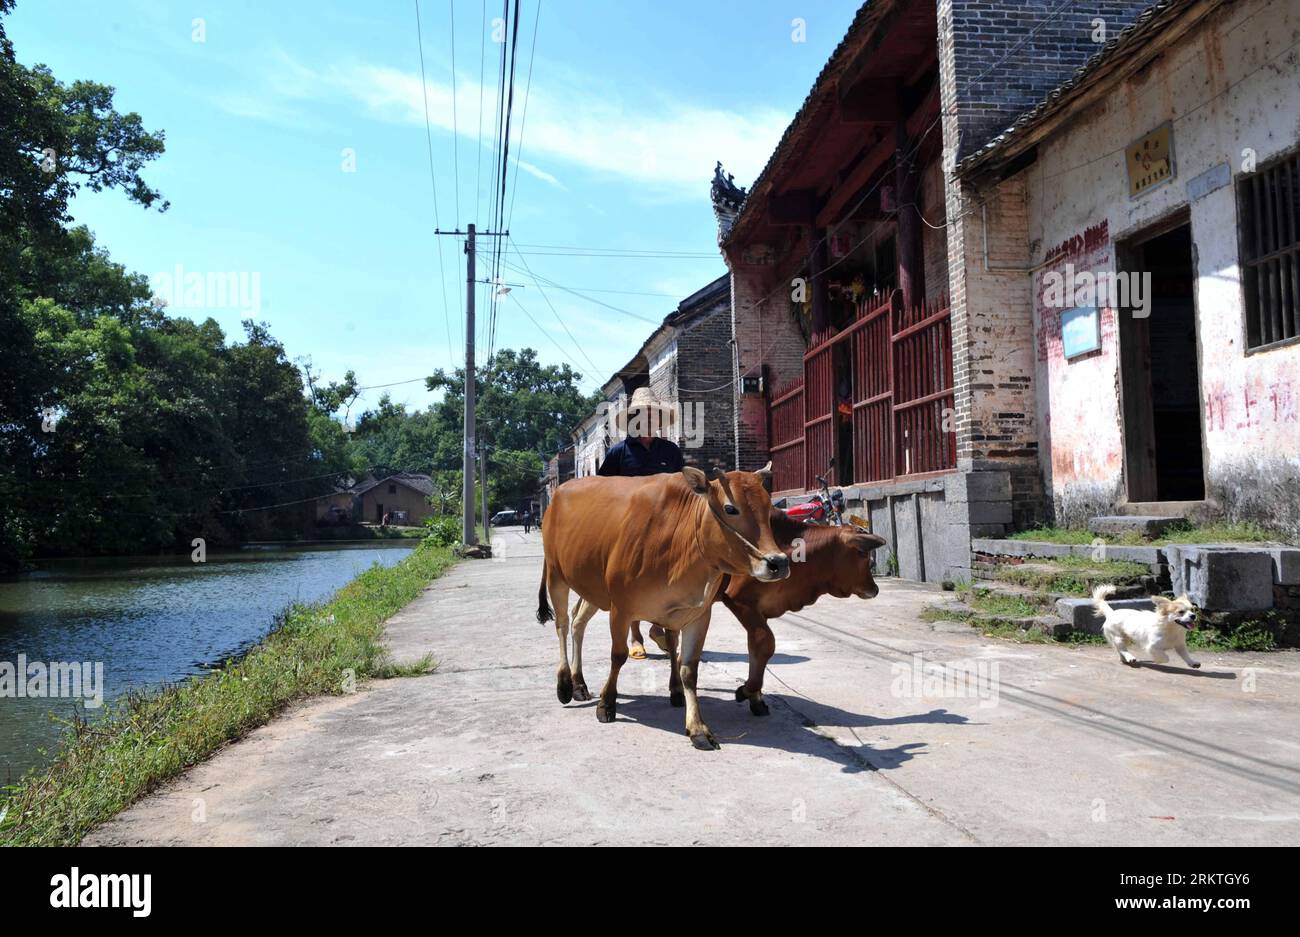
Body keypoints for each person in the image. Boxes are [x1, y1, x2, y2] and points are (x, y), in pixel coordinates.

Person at [595, 386, 683, 660]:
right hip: (629, 529)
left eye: (653, 415)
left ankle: (660, 627)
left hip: (666, 527)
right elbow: (602, 490)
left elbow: (682, 488)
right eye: (642, 414)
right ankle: (635, 636)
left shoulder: (671, 451)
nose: (648, 419)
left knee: (670, 579)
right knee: (630, 584)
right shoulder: (619, 453)